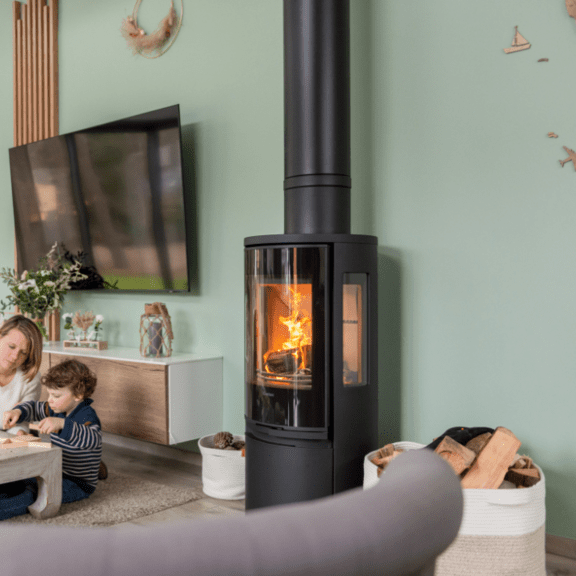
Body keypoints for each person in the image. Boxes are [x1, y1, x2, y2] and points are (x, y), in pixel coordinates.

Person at [1, 359, 102, 520]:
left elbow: (93, 439)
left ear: (78, 395)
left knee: (34, 494)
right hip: (49, 469)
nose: (50, 399)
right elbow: (34, 407)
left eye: (55, 395)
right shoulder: (55, 408)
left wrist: (63, 424)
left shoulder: (87, 416)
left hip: (75, 482)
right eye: (49, 393)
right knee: (13, 480)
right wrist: (18, 412)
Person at [0, 314, 44, 435]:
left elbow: (21, 421)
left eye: (23, 353)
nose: (15, 357)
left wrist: (20, 433)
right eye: (11, 346)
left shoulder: (31, 379)